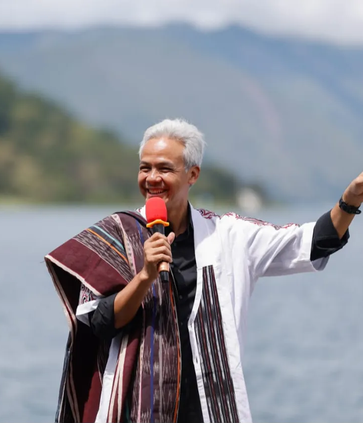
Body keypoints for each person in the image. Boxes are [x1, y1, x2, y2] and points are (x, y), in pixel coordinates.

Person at [45, 118, 362, 423]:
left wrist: (349, 201)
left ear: (192, 174)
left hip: (214, 408)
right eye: (145, 168)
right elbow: (95, 323)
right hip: (138, 409)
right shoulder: (117, 235)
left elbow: (310, 243)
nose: (152, 178)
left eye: (165, 168)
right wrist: (144, 277)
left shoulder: (228, 235)